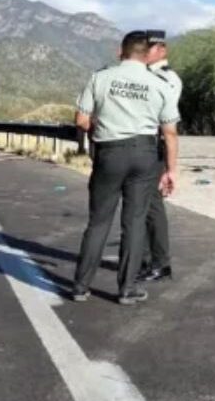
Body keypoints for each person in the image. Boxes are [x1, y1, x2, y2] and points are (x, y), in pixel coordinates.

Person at [72, 31, 181, 306]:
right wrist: (171, 170)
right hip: (144, 154)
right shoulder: (160, 84)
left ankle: (81, 286)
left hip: (110, 152)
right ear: (147, 54)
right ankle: (127, 289)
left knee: (98, 221)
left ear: (121, 50)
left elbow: (82, 119)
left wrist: (103, 127)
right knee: (134, 222)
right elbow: (170, 133)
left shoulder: (101, 77)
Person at [138, 30, 183, 283]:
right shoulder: (142, 75)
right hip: (141, 144)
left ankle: (160, 262)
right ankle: (142, 259)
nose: (147, 52)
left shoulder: (168, 78)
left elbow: (166, 120)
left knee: (152, 206)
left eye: (151, 48)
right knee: (139, 206)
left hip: (156, 143)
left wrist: (169, 165)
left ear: (162, 50)